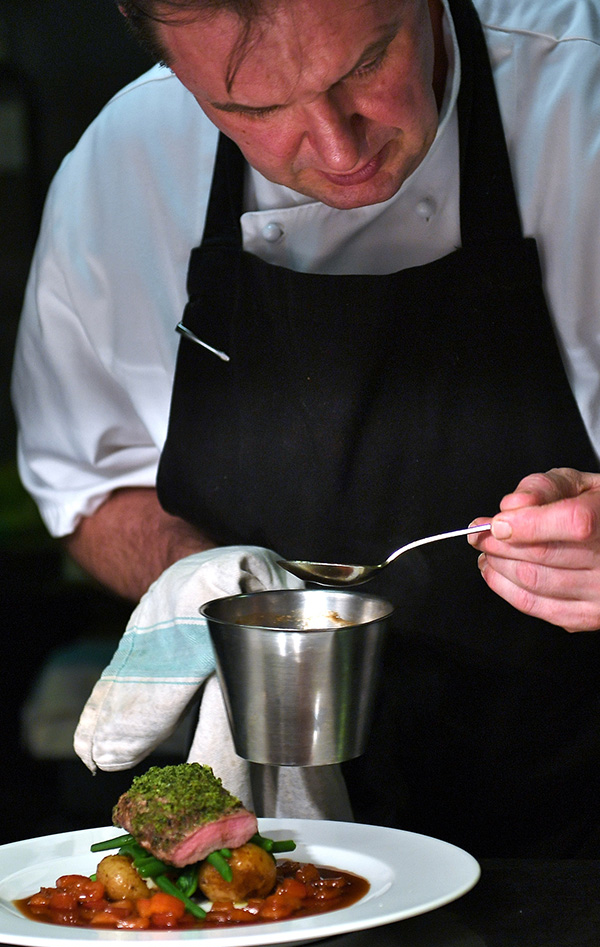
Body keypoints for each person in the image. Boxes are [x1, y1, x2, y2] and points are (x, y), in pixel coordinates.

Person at [11, 0, 600, 855]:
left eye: (365, 66)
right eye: (252, 110)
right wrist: (197, 584)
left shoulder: (579, 93)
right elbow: (89, 490)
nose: (337, 148)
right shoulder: (122, 171)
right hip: (279, 853)